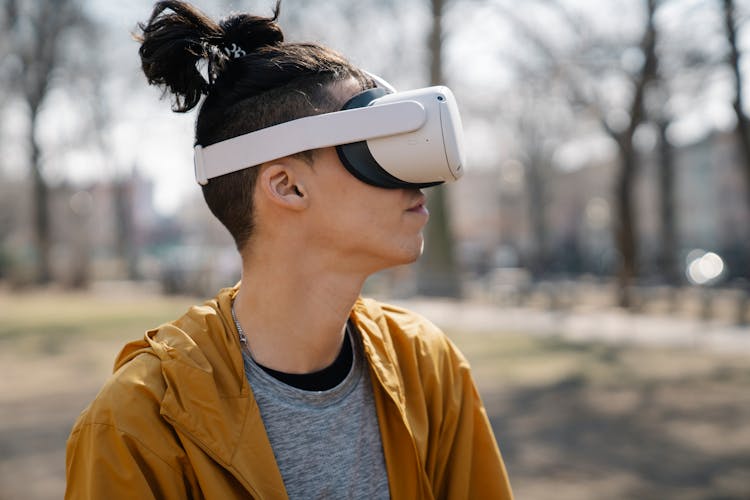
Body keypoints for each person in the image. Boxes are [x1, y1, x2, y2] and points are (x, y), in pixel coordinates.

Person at [64, 1, 513, 498]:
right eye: (376, 147)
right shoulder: (138, 427)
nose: (415, 178)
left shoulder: (428, 370)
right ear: (287, 186)